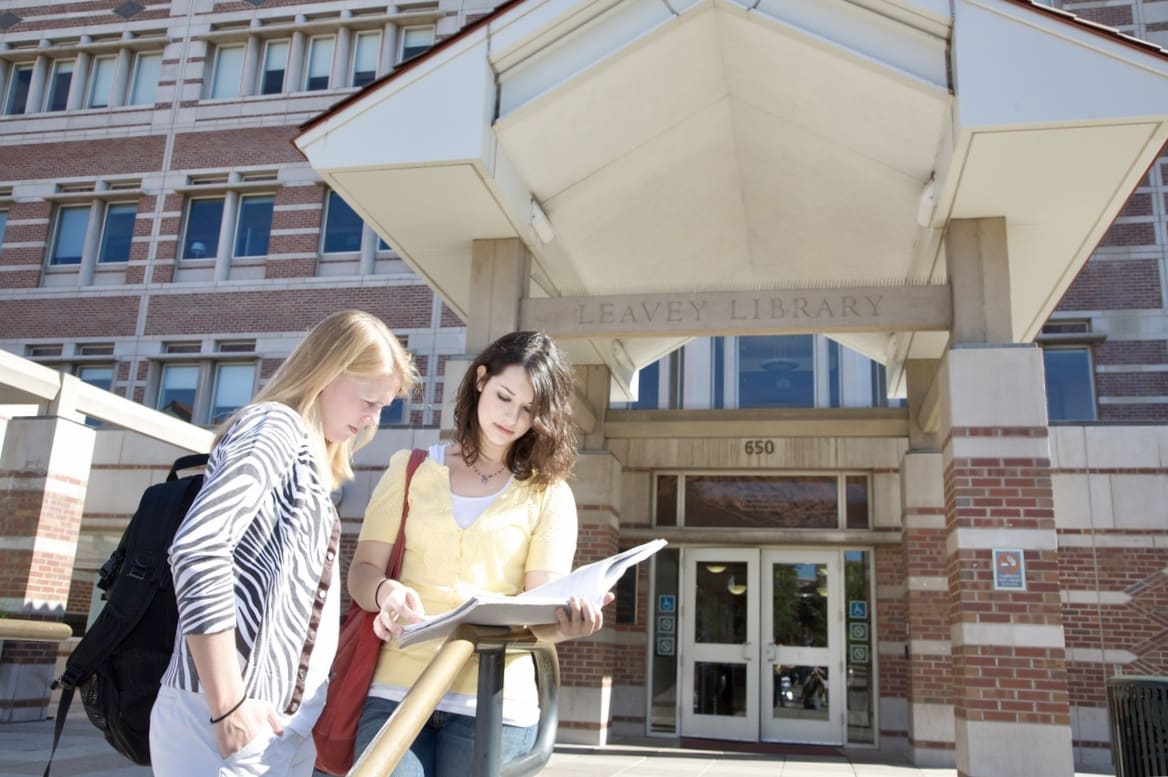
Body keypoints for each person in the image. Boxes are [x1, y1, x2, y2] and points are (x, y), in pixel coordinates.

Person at [150, 310, 417, 777]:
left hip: (274, 727)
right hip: (226, 721)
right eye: (368, 399)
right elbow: (197, 547)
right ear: (327, 374)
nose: (373, 418)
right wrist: (228, 706)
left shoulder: (307, 463)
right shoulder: (275, 427)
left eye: (382, 406)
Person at [346, 330, 609, 777]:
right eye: (506, 396)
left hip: (496, 698)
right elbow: (362, 572)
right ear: (481, 380)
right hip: (397, 687)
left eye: (528, 409)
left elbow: (539, 603)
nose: (512, 417)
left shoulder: (548, 495)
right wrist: (387, 590)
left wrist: (568, 623)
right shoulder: (409, 470)